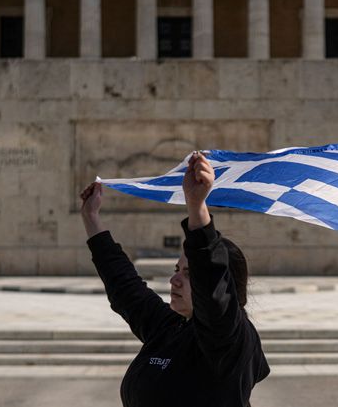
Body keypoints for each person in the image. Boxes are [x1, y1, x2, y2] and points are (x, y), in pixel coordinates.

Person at [79, 151, 269, 407]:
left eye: (189, 274)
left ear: (227, 288)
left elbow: (211, 279)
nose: (174, 280)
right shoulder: (170, 327)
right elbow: (126, 288)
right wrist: (92, 219)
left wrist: (196, 206)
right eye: (177, 269)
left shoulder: (228, 340)